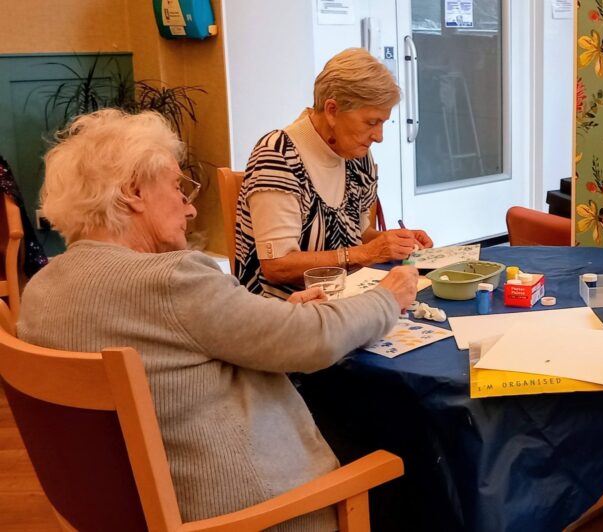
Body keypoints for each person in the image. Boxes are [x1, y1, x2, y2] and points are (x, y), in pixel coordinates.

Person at [18, 109, 419, 530]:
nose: (189, 210)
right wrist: (386, 297)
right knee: (401, 472)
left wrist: (280, 315)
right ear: (134, 192)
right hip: (250, 516)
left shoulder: (42, 288)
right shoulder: (172, 279)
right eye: (177, 186)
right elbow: (314, 342)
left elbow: (180, 340)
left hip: (122, 511)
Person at [236, 47, 433, 299]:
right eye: (371, 122)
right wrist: (367, 253)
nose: (379, 136)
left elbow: (359, 235)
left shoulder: (356, 156)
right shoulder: (278, 156)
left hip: (344, 303)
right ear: (332, 110)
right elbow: (277, 267)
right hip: (285, 314)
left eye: (382, 123)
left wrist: (392, 241)